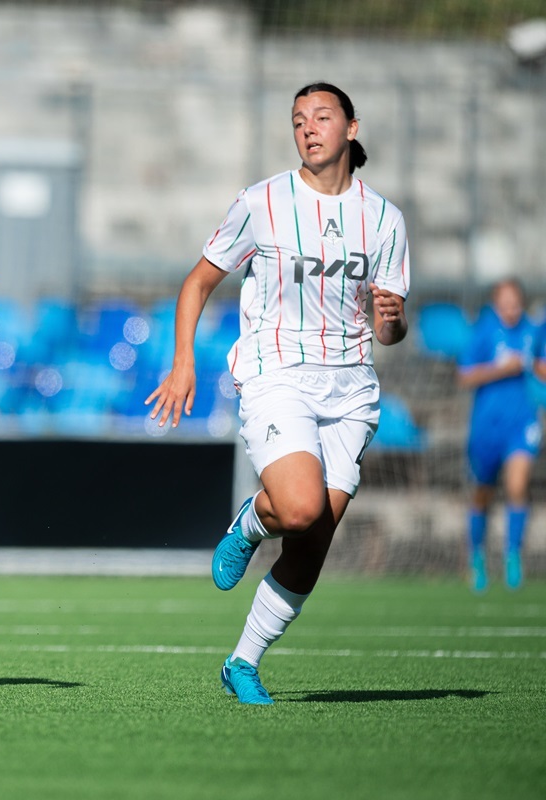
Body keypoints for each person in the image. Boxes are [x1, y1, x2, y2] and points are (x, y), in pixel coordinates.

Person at [146, 83, 410, 704]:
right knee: (297, 510)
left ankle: (243, 662)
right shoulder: (261, 202)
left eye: (322, 117)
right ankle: (250, 521)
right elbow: (197, 281)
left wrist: (392, 318)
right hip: (277, 374)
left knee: (313, 541)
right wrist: (183, 362)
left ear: (351, 127)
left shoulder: (386, 220)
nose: (309, 128)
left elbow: (391, 332)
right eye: (298, 121)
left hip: (351, 389)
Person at [457, 279, 542, 592]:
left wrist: (534, 366)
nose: (511, 308)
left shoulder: (533, 330)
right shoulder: (483, 331)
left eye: (515, 302)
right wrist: (501, 368)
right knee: (482, 494)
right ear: (495, 303)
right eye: (505, 302)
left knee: (517, 485)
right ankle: (477, 556)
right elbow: (464, 376)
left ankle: (512, 557)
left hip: (522, 424)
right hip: (486, 428)